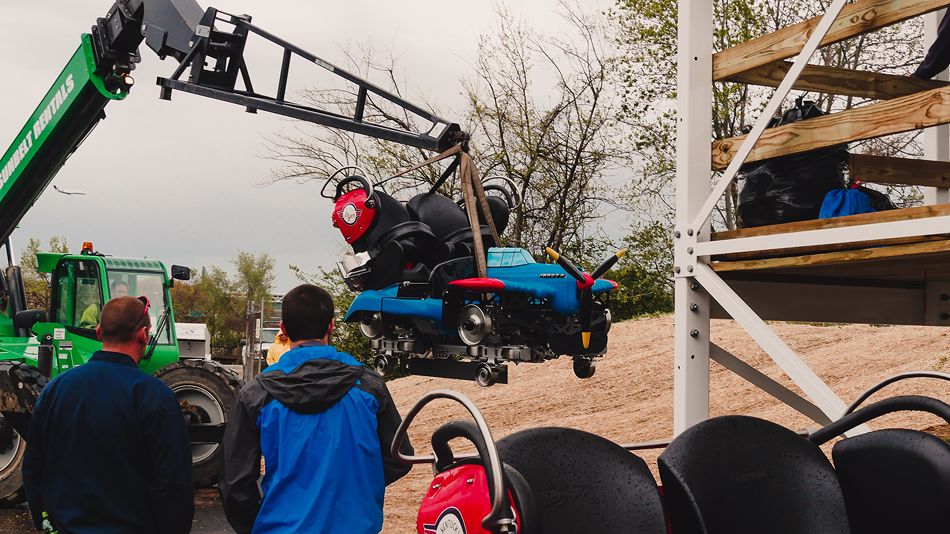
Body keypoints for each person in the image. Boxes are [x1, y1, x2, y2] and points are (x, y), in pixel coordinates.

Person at [221, 284, 413, 534]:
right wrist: (357, 488)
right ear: (331, 326)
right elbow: (400, 457)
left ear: (283, 329)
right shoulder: (368, 386)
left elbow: (234, 482)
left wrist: (261, 524)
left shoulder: (257, 394)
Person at [23, 296, 194, 534]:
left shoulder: (56, 389)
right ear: (144, 335)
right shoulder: (154, 396)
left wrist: (45, 521)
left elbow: (33, 466)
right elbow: (174, 483)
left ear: (99, 331)